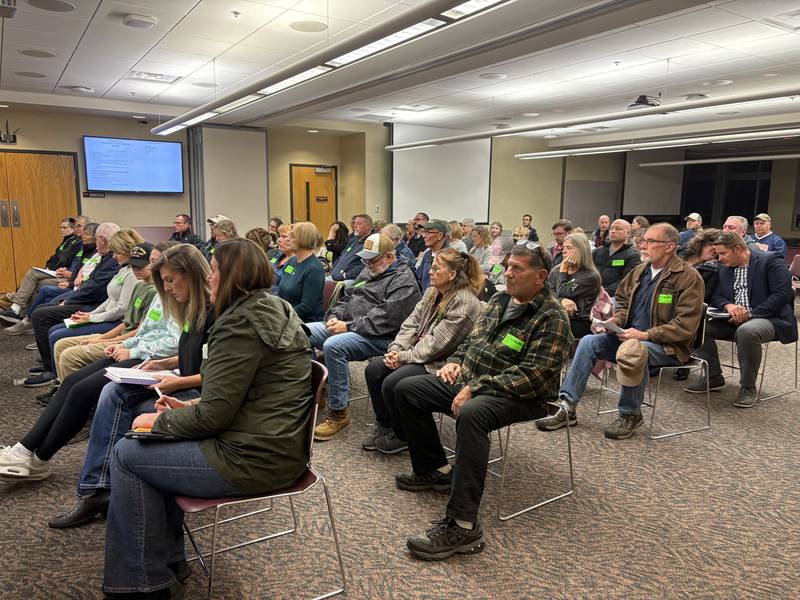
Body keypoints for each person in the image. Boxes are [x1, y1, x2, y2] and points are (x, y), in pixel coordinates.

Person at [100, 238, 312, 599]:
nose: (208, 278)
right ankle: (163, 563)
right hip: (269, 444)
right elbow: (239, 397)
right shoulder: (273, 308)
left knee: (127, 453)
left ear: (232, 276)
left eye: (213, 271)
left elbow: (215, 415)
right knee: (147, 441)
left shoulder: (239, 323)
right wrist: (184, 412)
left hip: (253, 457)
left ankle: (143, 582)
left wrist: (162, 423)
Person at [393, 241, 572, 560]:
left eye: (517, 268)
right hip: (475, 381)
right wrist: (457, 360)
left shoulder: (552, 317)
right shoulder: (501, 299)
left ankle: (463, 526)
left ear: (541, 275)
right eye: (507, 265)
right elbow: (473, 343)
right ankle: (435, 470)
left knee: (472, 414)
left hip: (522, 394)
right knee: (408, 388)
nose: (508, 273)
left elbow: (535, 374)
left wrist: (477, 387)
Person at [47, 244, 214, 529]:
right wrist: (162, 365)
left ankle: (99, 489)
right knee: (112, 388)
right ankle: (100, 489)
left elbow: (216, 373)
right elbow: (195, 357)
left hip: (197, 393)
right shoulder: (193, 309)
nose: (168, 288)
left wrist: (176, 379)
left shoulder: (215, 313)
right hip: (179, 379)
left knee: (117, 397)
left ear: (193, 275)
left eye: (171, 280)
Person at [0, 243, 190, 482]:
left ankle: (37, 457)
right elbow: (144, 331)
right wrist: (126, 346)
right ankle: (25, 450)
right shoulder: (162, 293)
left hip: (155, 361)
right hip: (140, 353)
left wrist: (132, 349)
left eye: (164, 272)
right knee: (71, 381)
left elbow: (172, 343)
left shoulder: (182, 299)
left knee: (82, 390)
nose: (155, 272)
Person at [537, 223, 704, 439]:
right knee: (589, 341)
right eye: (643, 240)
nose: (643, 245)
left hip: (668, 346)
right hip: (630, 337)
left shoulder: (688, 277)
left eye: (650, 241)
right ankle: (567, 406)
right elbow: (623, 302)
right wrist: (614, 321)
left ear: (670, 246)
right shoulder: (640, 272)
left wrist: (644, 335)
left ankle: (630, 413)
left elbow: (685, 325)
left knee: (634, 350)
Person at [363, 249, 483, 454]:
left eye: (436, 268)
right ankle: (386, 424)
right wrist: (396, 349)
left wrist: (402, 358)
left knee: (394, 382)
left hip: (441, 363)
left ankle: (403, 435)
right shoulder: (433, 292)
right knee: (374, 370)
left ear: (452, 274)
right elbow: (411, 324)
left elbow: (438, 345)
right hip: (415, 353)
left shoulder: (464, 302)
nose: (430, 272)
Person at [308, 233, 421, 440]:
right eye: (365, 259)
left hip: (385, 337)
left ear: (390, 256)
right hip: (351, 327)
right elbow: (348, 298)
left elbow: (387, 319)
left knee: (334, 346)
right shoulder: (369, 270)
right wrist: (333, 317)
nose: (368, 263)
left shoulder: (404, 280)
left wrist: (349, 327)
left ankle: (339, 412)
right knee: (301, 332)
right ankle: (318, 390)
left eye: (373, 259)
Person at [685, 231, 796, 407]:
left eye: (723, 253)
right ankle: (713, 377)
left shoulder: (770, 260)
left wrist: (750, 314)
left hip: (768, 317)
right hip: (733, 318)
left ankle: (748, 387)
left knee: (747, 331)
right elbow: (717, 295)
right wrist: (728, 305)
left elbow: (781, 295)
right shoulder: (725, 267)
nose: (719, 258)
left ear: (738, 249)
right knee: (696, 324)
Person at [32, 228, 144, 384]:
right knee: (54, 329)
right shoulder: (124, 269)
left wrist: (92, 317)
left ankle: (57, 377)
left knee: (57, 335)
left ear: (127, 251)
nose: (113, 256)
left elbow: (121, 310)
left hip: (115, 321)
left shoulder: (133, 274)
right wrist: (89, 317)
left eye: (117, 252)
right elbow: (109, 300)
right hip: (106, 315)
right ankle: (56, 375)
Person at [50, 242, 168, 387]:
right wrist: (100, 336)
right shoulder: (139, 285)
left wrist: (103, 339)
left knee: (69, 354)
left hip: (130, 341)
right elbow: (126, 321)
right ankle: (63, 389)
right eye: (133, 266)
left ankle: (72, 394)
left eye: (140, 266)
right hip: (124, 337)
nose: (135, 269)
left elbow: (138, 331)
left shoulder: (155, 292)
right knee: (61, 344)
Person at [0, 216, 88, 321]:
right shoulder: (74, 242)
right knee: (36, 278)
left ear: (88, 228)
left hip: (70, 279)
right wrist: (63, 269)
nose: (76, 228)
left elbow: (74, 266)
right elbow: (58, 259)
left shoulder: (81, 244)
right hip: (64, 274)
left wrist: (69, 275)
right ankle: (18, 310)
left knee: (35, 276)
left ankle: (17, 307)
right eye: (75, 226)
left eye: (79, 226)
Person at [672, 228, 721, 381]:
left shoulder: (713, 268)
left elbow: (704, 295)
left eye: (717, 248)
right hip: (668, 295)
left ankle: (683, 358)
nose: (714, 249)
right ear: (701, 243)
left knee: (688, 315)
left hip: (692, 303)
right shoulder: (681, 254)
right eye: (711, 244)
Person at [549, 233, 601, 339]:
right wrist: (562, 300)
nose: (563, 251)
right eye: (563, 247)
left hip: (579, 321)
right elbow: (547, 292)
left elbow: (563, 291)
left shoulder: (590, 276)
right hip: (555, 315)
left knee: (549, 327)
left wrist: (563, 269)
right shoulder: (556, 270)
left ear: (581, 251)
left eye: (569, 248)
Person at [278, 222, 325, 322]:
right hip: (286, 316)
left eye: (292, 236)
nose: (287, 239)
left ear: (304, 240)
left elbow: (306, 307)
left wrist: (281, 317)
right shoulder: (291, 261)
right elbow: (280, 291)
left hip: (305, 321)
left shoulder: (314, 268)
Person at [592, 219, 641, 297]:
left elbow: (627, 281)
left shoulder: (633, 255)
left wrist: (603, 293)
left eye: (618, 229)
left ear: (628, 233)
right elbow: (587, 271)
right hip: (592, 292)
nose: (613, 231)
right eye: (611, 228)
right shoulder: (598, 251)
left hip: (615, 296)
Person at [330, 214, 374, 281]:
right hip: (334, 277)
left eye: (359, 224)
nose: (355, 226)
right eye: (355, 224)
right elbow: (341, 257)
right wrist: (333, 270)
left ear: (368, 227)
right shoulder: (352, 241)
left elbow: (364, 265)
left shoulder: (371, 243)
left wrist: (346, 276)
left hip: (349, 280)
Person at [417, 220, 450, 291]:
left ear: (440, 235)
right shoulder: (427, 254)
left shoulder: (449, 257)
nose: (424, 236)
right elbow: (418, 278)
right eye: (424, 232)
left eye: (428, 232)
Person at [270, 223, 294, 289]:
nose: (279, 240)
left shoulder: (297, 262)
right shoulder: (278, 255)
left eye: (284, 236)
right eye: (279, 236)